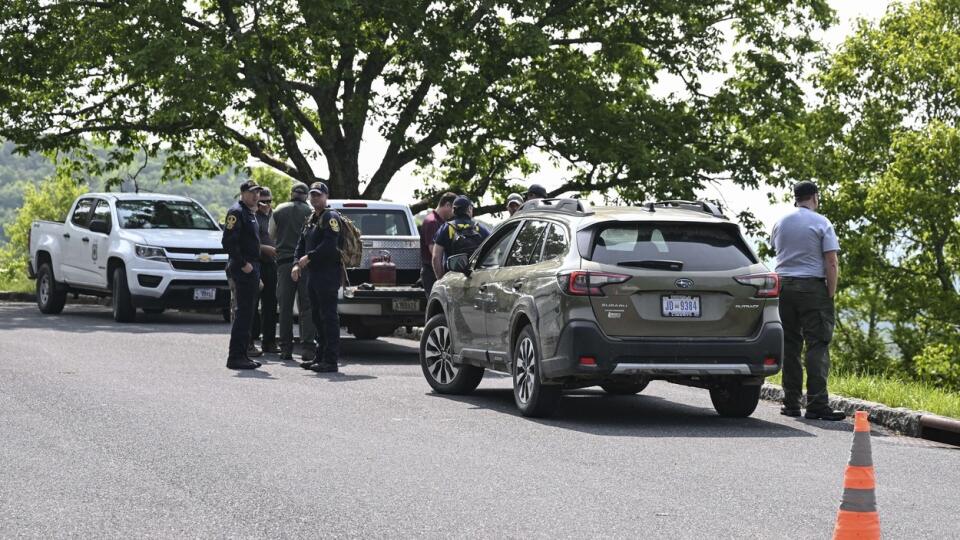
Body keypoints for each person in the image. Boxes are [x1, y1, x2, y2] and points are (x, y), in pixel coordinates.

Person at [772, 180, 845, 421]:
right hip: (812, 288)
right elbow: (831, 261)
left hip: (783, 287)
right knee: (817, 344)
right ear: (814, 196)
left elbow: (776, 250)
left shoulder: (781, 222)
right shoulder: (821, 222)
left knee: (790, 345)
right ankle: (817, 405)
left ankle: (791, 403)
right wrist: (830, 293)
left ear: (796, 197)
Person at [293, 181, 343, 373]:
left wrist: (309, 257)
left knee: (328, 317)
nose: (315, 198)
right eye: (312, 195)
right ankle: (319, 356)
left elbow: (330, 246)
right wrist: (297, 262)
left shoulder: (331, 217)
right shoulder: (311, 218)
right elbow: (301, 243)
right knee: (316, 316)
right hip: (313, 274)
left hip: (327, 274)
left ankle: (331, 360)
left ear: (325, 196)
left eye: (318, 195)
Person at [270, 182, 317, 362]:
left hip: (283, 264)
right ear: (306, 195)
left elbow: (271, 234)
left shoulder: (279, 210)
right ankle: (308, 348)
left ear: (291, 194)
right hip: (305, 264)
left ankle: (286, 349)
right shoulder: (312, 213)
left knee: (285, 308)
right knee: (307, 307)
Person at [221, 180, 263, 370]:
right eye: (252, 192)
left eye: (258, 192)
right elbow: (228, 242)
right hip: (243, 268)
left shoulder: (249, 212)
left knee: (248, 314)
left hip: (253, 267)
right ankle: (236, 357)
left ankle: (243, 355)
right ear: (243, 193)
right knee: (243, 314)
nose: (256, 196)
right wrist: (244, 264)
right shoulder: (237, 212)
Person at [432, 195, 490, 280]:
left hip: (452, 280)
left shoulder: (446, 228)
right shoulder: (481, 228)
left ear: (453, 210)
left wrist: (441, 279)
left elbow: (436, 257)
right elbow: (493, 251)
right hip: (476, 279)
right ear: (469, 209)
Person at [250, 187, 279, 355]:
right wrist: (264, 249)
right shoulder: (252, 216)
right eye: (263, 201)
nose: (266, 205)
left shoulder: (276, 216)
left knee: (270, 305)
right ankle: (251, 341)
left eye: (269, 201)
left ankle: (269, 342)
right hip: (256, 263)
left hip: (271, 265)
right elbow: (248, 242)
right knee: (252, 305)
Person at [419, 192, 456, 295]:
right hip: (432, 272)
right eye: (453, 209)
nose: (454, 213)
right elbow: (434, 252)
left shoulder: (441, 222)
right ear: (447, 205)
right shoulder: (432, 222)